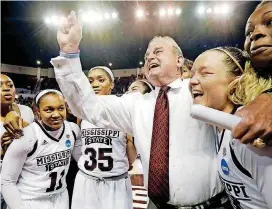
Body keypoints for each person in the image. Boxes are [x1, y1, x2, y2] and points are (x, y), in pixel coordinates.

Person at [52, 11, 227, 209]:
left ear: (179, 60)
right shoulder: (136, 103)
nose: (150, 56)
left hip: (210, 205)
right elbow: (86, 106)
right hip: (157, 205)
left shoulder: (198, 90)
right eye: (147, 55)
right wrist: (68, 53)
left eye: (158, 51)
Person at [190, 46, 272, 209]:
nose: (192, 81)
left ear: (237, 80)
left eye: (205, 73)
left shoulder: (249, 132)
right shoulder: (220, 127)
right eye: (192, 74)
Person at [1, 89, 81, 209]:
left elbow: (83, 162)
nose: (56, 114)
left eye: (60, 108)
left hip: (60, 197)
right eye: (49, 109)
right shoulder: (27, 136)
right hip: (29, 199)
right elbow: (7, 181)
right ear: (37, 112)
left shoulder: (73, 130)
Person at [71, 66, 136, 209]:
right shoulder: (82, 113)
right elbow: (79, 144)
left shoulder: (122, 111)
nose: (95, 85)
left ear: (111, 84)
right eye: (90, 81)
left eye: (101, 80)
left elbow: (131, 154)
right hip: (86, 180)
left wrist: (129, 145)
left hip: (116, 182)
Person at [0, 74, 34, 209]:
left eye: (10, 85)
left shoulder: (26, 111)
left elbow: (36, 141)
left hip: (23, 176)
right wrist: (4, 150)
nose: (6, 89)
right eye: (0, 86)